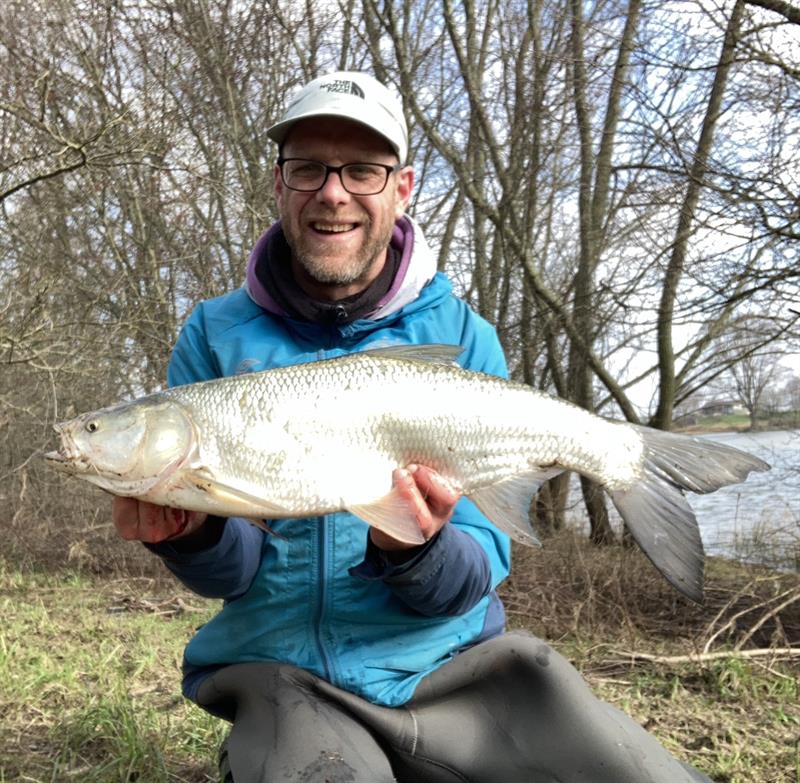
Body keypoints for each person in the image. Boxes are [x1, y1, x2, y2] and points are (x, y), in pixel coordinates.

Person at [113, 71, 714, 783]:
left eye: (361, 169)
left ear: (402, 187)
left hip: (458, 670)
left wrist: (415, 549)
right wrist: (197, 531)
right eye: (307, 167)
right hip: (288, 679)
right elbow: (234, 574)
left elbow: (478, 570)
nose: (332, 192)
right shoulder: (213, 335)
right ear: (280, 185)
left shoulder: (464, 335)